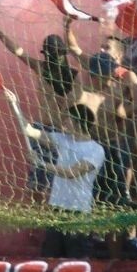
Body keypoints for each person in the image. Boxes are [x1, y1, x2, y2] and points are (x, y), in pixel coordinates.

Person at [25, 104, 105, 258]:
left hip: (78, 211)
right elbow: (29, 131)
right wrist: (13, 103)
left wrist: (41, 163)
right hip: (56, 207)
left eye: (67, 119)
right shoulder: (62, 139)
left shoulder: (96, 150)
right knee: (51, 256)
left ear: (78, 122)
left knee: (76, 259)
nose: (63, 122)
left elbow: (72, 173)